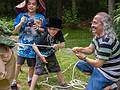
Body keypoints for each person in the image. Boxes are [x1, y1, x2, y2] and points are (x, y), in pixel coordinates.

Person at [72, 12, 120, 90]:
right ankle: (97, 79)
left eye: (95, 23)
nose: (92, 25)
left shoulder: (106, 41)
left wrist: (84, 58)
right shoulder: (98, 35)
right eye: (92, 22)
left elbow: (98, 64)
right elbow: (90, 49)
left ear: (104, 25)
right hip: (101, 68)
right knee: (80, 64)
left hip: (109, 74)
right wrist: (79, 49)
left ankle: (113, 86)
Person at [11, 0, 46, 89]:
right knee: (18, 64)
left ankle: (30, 79)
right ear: (26, 5)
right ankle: (13, 81)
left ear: (37, 6)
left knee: (31, 65)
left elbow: (45, 31)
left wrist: (38, 28)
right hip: (22, 46)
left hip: (34, 47)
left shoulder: (40, 17)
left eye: (34, 4)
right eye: (29, 4)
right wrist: (21, 22)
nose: (31, 6)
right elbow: (15, 31)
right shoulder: (21, 16)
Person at [30, 17, 67, 90]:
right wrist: (41, 56)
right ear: (48, 28)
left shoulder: (59, 33)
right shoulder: (44, 35)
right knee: (38, 71)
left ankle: (63, 84)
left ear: (59, 29)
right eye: (50, 29)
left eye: (55, 29)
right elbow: (34, 45)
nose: (52, 31)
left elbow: (63, 44)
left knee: (57, 68)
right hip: (41, 53)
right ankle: (31, 88)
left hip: (50, 53)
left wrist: (58, 45)